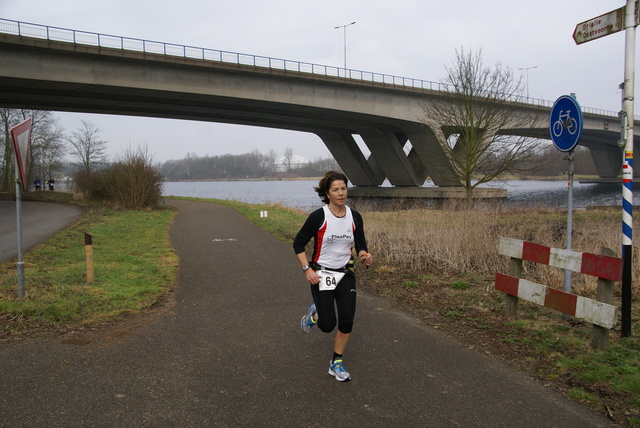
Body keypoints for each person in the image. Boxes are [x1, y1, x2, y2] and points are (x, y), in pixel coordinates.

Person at [293, 170, 373, 382]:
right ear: (327, 193)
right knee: (328, 325)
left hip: (345, 273)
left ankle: (336, 363)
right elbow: (298, 243)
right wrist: (306, 269)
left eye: (343, 189)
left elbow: (361, 244)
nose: (341, 193)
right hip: (321, 274)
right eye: (335, 190)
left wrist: (364, 255)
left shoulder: (355, 216)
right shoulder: (319, 216)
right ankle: (313, 315)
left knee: (346, 321)